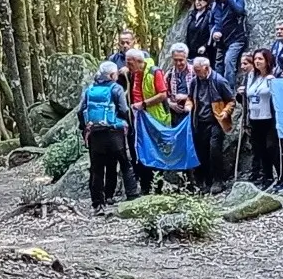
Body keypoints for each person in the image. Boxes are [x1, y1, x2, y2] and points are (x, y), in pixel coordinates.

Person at [78, 62, 139, 215]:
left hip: (95, 135)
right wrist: (128, 125)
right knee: (124, 163)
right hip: (114, 133)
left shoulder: (90, 89)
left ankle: (98, 203)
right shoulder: (116, 88)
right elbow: (124, 109)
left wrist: (84, 128)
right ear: (112, 75)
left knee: (97, 169)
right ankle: (132, 196)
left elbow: (80, 111)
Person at [186, 57, 235, 194]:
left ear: (206, 68)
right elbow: (190, 97)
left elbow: (231, 100)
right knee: (201, 153)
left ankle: (218, 180)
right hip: (199, 122)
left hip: (216, 122)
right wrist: (189, 105)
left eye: (198, 70)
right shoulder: (195, 81)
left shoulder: (219, 81)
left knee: (214, 151)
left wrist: (225, 112)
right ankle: (205, 182)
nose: (195, 73)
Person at [123, 49, 168, 194]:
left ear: (137, 61)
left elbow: (163, 95)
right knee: (140, 151)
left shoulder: (155, 72)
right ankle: (145, 187)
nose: (128, 66)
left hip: (155, 119)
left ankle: (158, 187)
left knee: (156, 152)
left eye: (130, 63)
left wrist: (144, 104)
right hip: (139, 119)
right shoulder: (134, 74)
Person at [241, 49, 278, 188]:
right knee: (260, 149)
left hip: (269, 118)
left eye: (260, 59)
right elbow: (250, 95)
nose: (257, 62)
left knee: (271, 147)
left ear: (267, 61)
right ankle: (267, 177)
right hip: (254, 118)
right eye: (255, 59)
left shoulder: (272, 77)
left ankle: (281, 176)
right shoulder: (252, 76)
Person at [209, 0, 248, 83]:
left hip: (236, 38)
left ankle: (229, 91)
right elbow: (212, 21)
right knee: (218, 65)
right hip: (221, 41)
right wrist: (214, 32)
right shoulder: (215, 4)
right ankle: (218, 89)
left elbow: (239, 11)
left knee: (229, 62)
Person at [164, 43, 196, 124]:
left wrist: (186, 97)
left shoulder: (195, 73)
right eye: (175, 60)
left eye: (181, 60)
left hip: (193, 114)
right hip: (175, 115)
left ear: (186, 57)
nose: (178, 63)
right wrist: (170, 104)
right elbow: (163, 95)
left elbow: (203, 94)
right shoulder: (169, 74)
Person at [185, 0, 214, 65]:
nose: (197, 2)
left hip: (205, 52)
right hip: (191, 51)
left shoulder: (210, 15)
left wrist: (205, 46)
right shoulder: (192, 15)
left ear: (206, 2)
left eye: (200, 0)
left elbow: (212, 32)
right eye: (195, 0)